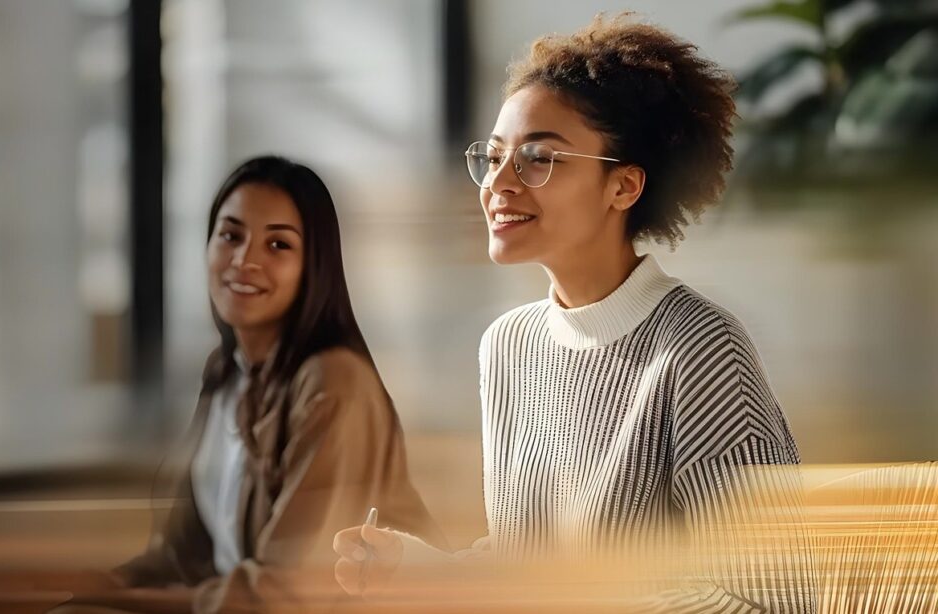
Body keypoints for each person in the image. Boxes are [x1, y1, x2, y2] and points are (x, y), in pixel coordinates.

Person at [334, 13, 817, 612]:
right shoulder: (508, 345)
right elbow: (527, 565)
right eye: (494, 156)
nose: (499, 184)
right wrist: (418, 566)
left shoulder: (700, 350)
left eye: (539, 159)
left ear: (624, 187)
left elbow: (773, 598)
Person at [60, 155, 444, 613]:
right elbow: (185, 557)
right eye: (230, 236)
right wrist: (98, 588)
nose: (245, 261)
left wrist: (130, 604)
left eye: (278, 245)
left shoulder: (334, 383)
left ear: (313, 267)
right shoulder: (225, 373)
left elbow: (290, 592)